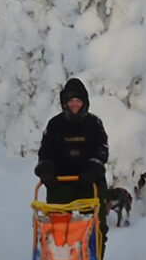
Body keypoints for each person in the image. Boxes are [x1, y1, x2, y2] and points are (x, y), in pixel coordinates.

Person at [36, 78, 110, 249]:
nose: (74, 104)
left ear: (84, 102)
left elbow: (102, 149)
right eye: (71, 101)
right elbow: (45, 150)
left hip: (90, 182)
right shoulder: (54, 125)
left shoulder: (94, 123)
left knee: (96, 225)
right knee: (57, 224)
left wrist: (93, 168)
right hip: (60, 182)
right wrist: (45, 169)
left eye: (78, 100)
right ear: (64, 102)